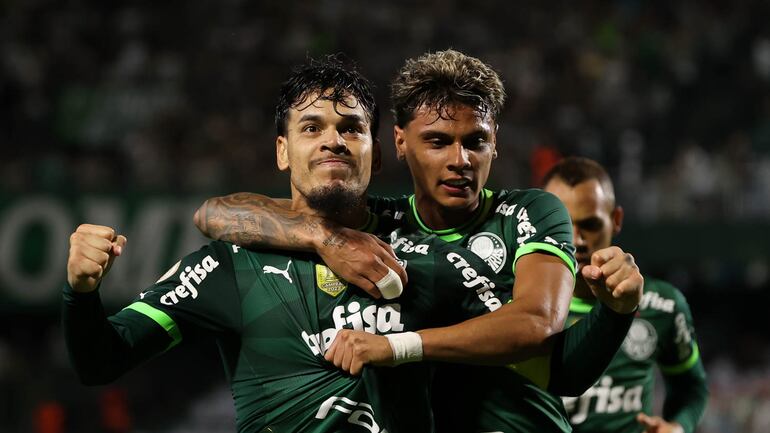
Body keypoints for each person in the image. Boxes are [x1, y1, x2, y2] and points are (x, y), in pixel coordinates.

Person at [194, 50, 645, 432]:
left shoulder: (529, 212)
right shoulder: (379, 230)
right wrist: (323, 237)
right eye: (437, 141)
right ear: (400, 142)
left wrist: (617, 312)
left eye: (476, 141)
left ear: (496, 143)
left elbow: (540, 329)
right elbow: (214, 213)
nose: (460, 160)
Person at [63, 56, 516, 433]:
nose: (333, 141)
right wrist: (81, 293)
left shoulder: (424, 238)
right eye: (312, 128)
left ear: (376, 155)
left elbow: (524, 341)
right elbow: (102, 361)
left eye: (352, 128)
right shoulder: (232, 263)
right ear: (283, 151)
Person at [542, 157, 708, 433]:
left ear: (615, 220)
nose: (575, 239)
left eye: (590, 224)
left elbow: (692, 388)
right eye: (562, 223)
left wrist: (678, 427)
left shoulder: (662, 305)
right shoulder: (517, 304)